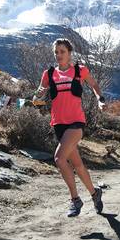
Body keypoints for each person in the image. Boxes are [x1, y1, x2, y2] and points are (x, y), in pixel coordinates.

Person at [32, 38, 106, 217]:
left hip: (76, 123)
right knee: (78, 165)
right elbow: (40, 92)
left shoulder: (79, 70)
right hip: (58, 124)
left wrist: (99, 99)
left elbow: (94, 85)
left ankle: (75, 200)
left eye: (62, 51)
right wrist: (37, 97)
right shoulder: (48, 74)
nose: (58, 55)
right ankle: (95, 194)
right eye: (56, 52)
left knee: (59, 158)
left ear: (70, 53)